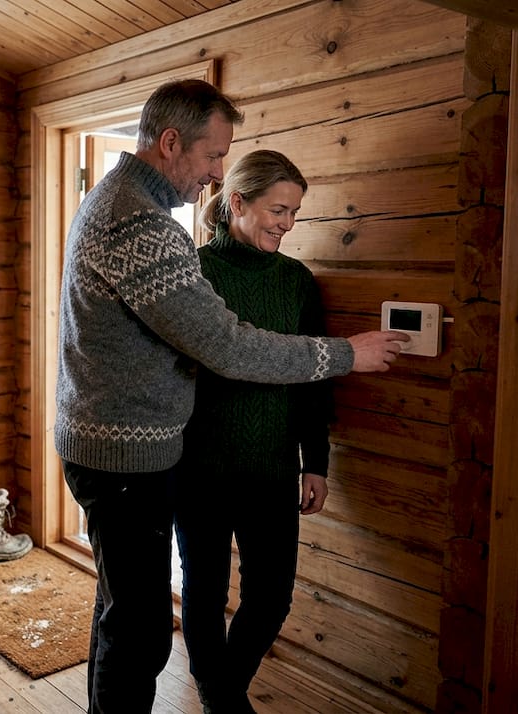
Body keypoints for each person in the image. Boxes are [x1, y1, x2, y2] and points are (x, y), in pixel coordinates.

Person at [54, 79, 408, 712]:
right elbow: (228, 347)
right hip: (126, 457)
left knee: (122, 615)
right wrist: (349, 353)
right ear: (170, 143)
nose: (217, 174)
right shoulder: (141, 223)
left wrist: (312, 455)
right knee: (139, 633)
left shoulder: (119, 203)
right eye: (214, 155)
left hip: (116, 446)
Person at [173, 149, 328, 713]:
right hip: (200, 469)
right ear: (237, 202)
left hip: (273, 467)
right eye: (278, 210)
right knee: (205, 594)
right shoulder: (192, 274)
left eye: (294, 214)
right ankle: (225, 702)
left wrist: (317, 462)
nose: (287, 224)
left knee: (271, 599)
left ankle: (220, 693)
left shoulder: (297, 282)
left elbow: (314, 378)